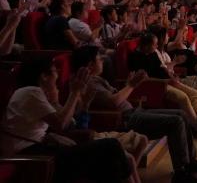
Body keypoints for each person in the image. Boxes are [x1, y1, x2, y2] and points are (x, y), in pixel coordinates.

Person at [71, 46, 197, 183]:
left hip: (133, 112)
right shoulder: (90, 83)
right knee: (176, 122)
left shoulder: (96, 79)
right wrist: (131, 85)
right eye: (98, 58)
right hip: (125, 119)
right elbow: (114, 102)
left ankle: (190, 161)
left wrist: (129, 84)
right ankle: (181, 172)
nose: (102, 60)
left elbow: (116, 97)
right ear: (90, 65)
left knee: (182, 114)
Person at [0, 58, 133, 183]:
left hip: (40, 151)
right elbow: (61, 124)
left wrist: (59, 100)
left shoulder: (34, 94)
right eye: (54, 71)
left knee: (110, 158)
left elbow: (70, 122)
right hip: (33, 157)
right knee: (111, 147)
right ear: (44, 76)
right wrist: (74, 92)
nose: (57, 74)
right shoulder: (30, 92)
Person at [127, 31, 197, 135]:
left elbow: (162, 68)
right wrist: (166, 81)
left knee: (194, 93)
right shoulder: (135, 57)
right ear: (146, 46)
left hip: (168, 81)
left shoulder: (152, 53)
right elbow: (143, 79)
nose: (156, 46)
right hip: (157, 86)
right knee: (183, 97)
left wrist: (172, 77)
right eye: (154, 44)